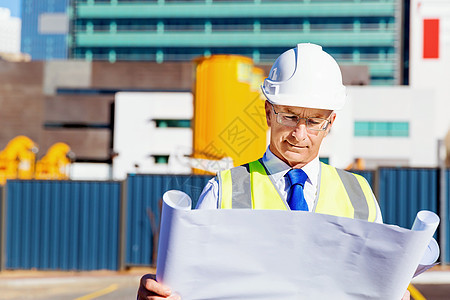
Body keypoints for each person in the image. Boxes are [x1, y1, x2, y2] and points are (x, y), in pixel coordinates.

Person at [137, 43, 410, 300]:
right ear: (268, 112)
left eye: (314, 121)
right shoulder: (224, 190)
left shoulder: (360, 195)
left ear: (330, 123)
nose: (299, 134)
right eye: (289, 116)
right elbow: (192, 286)